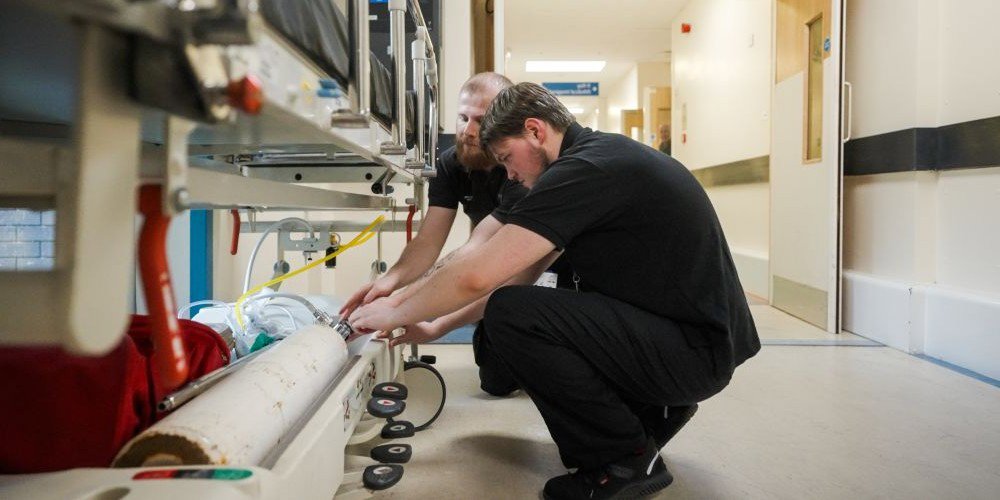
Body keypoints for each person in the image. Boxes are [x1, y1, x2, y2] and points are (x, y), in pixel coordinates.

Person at [349, 82, 760, 499]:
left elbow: (478, 276)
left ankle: (624, 461)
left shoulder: (583, 171)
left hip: (692, 353)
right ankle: (653, 412)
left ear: (535, 130)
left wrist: (392, 314)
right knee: (519, 308)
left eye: (508, 159)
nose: (509, 175)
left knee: (515, 315)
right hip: (694, 342)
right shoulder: (598, 157)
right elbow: (518, 274)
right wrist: (431, 323)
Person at [339, 72, 526, 396]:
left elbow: (483, 254)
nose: (468, 131)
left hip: (540, 271)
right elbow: (428, 242)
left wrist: (412, 311)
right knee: (496, 382)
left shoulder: (520, 170)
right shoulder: (451, 164)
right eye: (463, 117)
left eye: (480, 121)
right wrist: (389, 282)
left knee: (528, 353)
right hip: (493, 265)